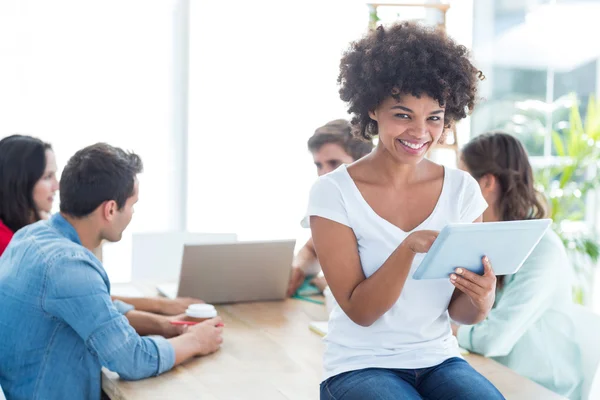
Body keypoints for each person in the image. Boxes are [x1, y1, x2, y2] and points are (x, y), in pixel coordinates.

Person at [307, 22, 504, 399]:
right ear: (372, 108)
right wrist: (408, 247)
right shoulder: (333, 194)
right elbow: (361, 312)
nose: (420, 132)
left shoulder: (462, 190)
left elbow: (460, 314)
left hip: (438, 358)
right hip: (360, 364)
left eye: (434, 117)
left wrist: (482, 297)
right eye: (402, 115)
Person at [0, 143, 223, 400]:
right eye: (131, 205)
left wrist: (167, 326)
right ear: (110, 209)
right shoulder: (69, 266)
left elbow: (99, 308)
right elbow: (132, 359)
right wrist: (196, 341)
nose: (132, 213)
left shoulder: (31, 236)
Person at [0, 134, 201, 334]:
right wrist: (161, 308)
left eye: (56, 175)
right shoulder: (18, 244)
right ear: (18, 182)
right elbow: (86, 302)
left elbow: (88, 301)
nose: (57, 185)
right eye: (47, 177)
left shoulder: (40, 229)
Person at [455, 132, 581, 399]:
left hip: (540, 388)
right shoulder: (488, 239)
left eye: (462, 178)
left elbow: (493, 340)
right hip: (495, 375)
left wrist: (453, 329)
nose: (456, 191)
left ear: (487, 182)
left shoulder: (542, 249)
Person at [287, 120, 373, 296]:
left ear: (364, 161)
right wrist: (298, 268)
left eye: (334, 163)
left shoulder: (387, 204)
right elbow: (312, 249)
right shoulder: (335, 202)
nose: (323, 174)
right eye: (319, 165)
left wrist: (329, 282)